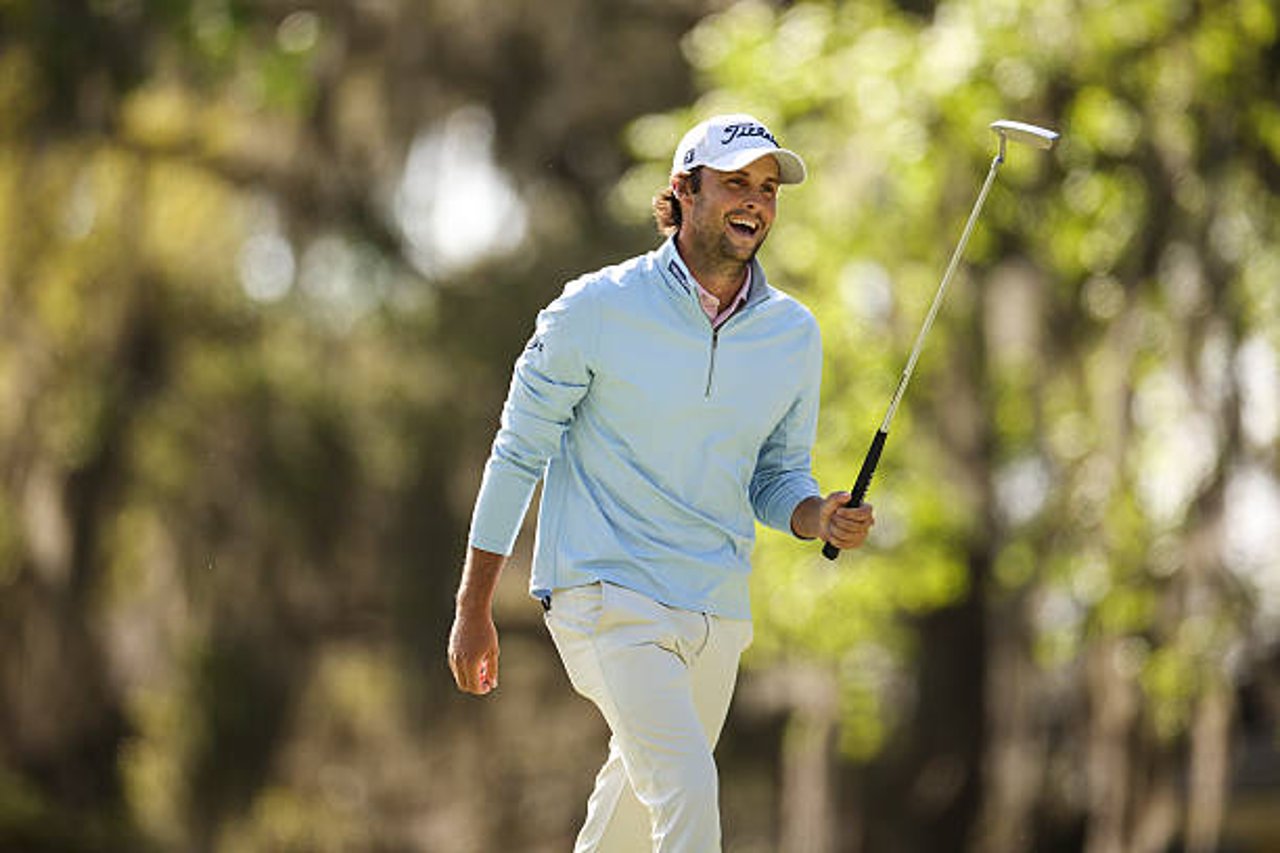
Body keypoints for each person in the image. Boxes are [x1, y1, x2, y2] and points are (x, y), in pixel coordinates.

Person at [447, 113, 874, 852]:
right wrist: (473, 604)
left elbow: (776, 477)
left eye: (768, 188)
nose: (756, 202)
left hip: (713, 606)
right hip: (604, 594)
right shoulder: (593, 309)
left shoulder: (792, 334)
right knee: (685, 788)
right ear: (683, 191)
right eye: (736, 182)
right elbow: (517, 454)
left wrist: (817, 515)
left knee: (632, 812)